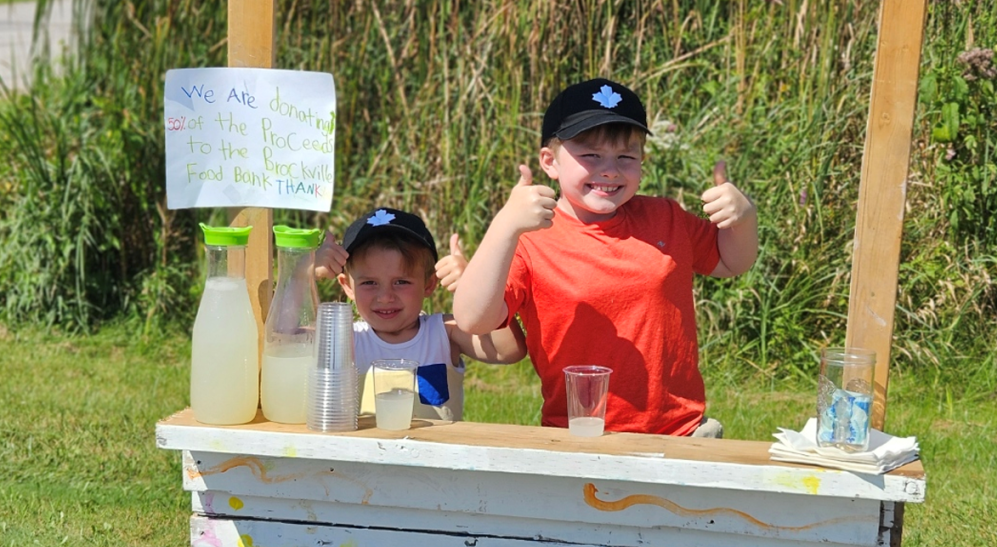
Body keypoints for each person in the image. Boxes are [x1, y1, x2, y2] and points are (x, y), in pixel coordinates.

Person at [452, 78, 758, 437]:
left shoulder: (666, 217)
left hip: (681, 432)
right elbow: (473, 318)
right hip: (578, 433)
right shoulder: (530, 240)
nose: (610, 169)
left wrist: (743, 218)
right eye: (591, 155)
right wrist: (504, 225)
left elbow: (731, 261)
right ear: (550, 162)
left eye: (625, 157)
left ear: (642, 161)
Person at [315, 207, 527, 421]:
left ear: (429, 284)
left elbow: (508, 350)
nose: (385, 296)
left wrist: (475, 287)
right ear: (347, 286)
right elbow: (287, 341)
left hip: (437, 453)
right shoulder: (345, 341)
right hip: (363, 454)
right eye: (369, 283)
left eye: (401, 282)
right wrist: (305, 274)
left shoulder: (444, 334)